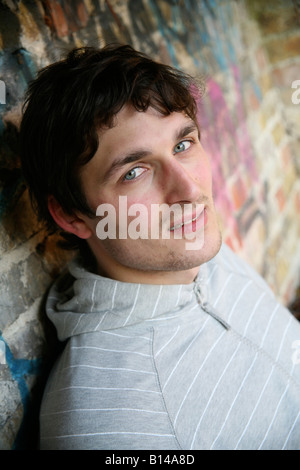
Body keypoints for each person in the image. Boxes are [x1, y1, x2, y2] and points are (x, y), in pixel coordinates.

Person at [20, 44, 300, 450]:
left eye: (183, 145)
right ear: (72, 216)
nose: (189, 190)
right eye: (134, 171)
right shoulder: (111, 426)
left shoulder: (200, 255)